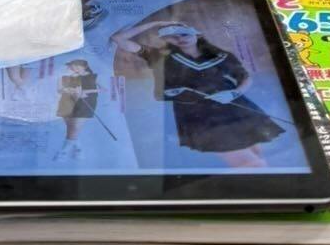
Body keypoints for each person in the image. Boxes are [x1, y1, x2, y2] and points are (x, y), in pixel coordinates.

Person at [109, 19, 283, 169]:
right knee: (249, 164)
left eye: (184, 34)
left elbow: (245, 77)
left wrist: (233, 94)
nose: (180, 39)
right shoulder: (158, 56)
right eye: (173, 36)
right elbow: (119, 39)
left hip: (235, 108)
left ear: (196, 34)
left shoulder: (221, 56)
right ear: (165, 39)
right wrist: (157, 23)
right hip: (201, 117)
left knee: (256, 155)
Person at [54, 58, 99, 161]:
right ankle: (78, 150)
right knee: (71, 128)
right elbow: (59, 89)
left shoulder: (91, 76)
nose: (73, 68)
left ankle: (62, 152)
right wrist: (68, 90)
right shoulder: (64, 75)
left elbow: (103, 88)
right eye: (72, 66)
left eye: (76, 66)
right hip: (66, 101)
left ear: (84, 66)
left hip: (85, 103)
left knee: (74, 128)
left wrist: (85, 92)